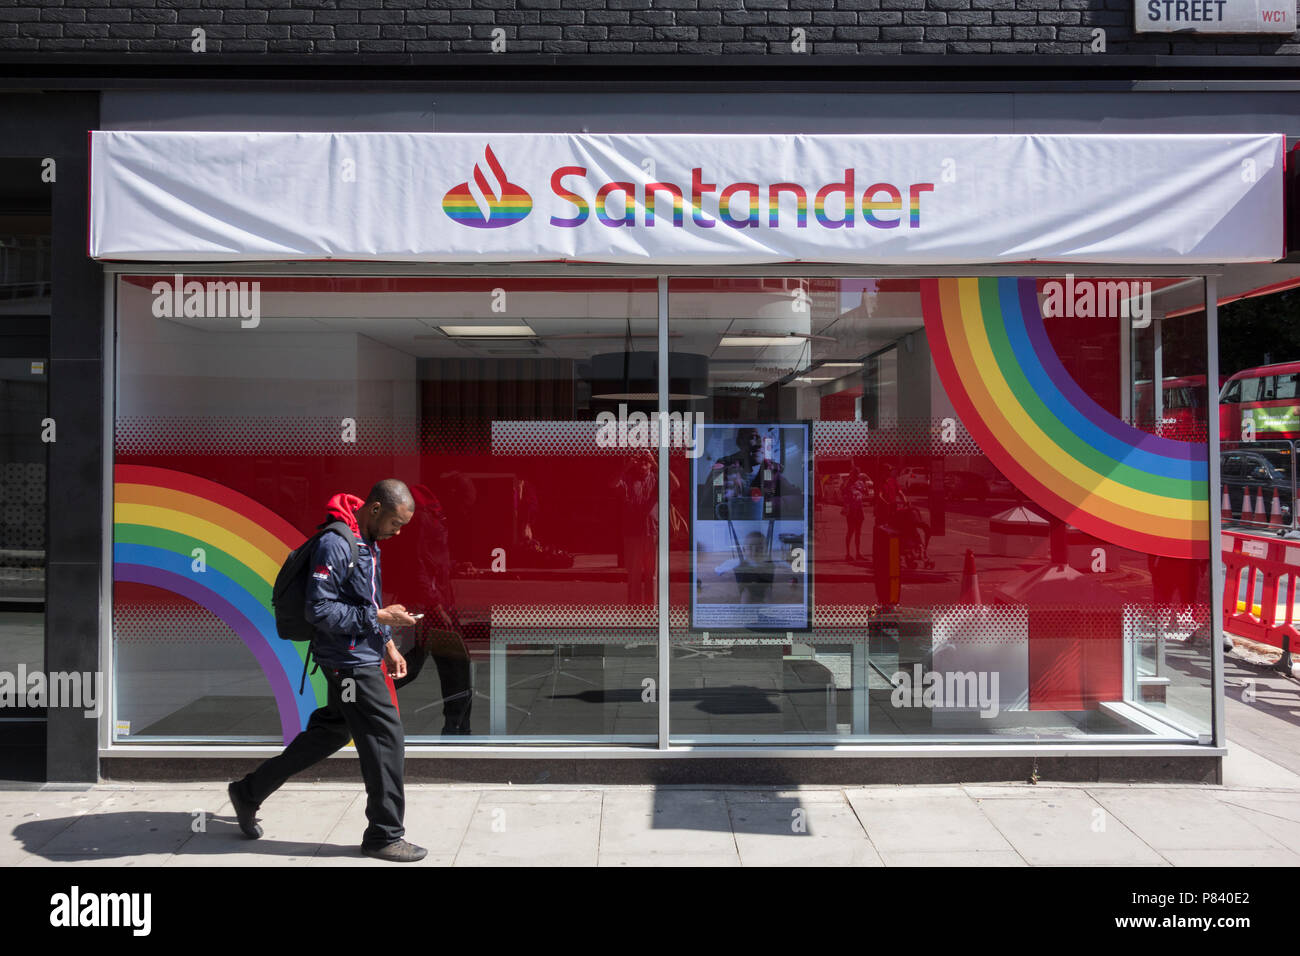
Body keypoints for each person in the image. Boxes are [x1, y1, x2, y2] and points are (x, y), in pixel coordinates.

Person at [227, 479, 426, 862]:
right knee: (386, 741)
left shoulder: (366, 539)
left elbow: (364, 598)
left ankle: (248, 792)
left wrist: (386, 643)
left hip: (358, 656)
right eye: (395, 523)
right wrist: (380, 617)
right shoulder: (336, 544)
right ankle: (384, 834)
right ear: (375, 509)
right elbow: (318, 611)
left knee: (331, 732)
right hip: (348, 666)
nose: (398, 532)